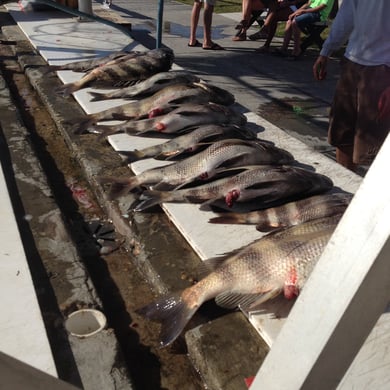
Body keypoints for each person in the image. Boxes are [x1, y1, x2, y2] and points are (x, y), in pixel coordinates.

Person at [313, 0, 390, 171]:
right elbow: (346, 15)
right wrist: (326, 51)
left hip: (383, 70)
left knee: (375, 149)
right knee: (342, 137)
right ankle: (345, 192)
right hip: (352, 62)